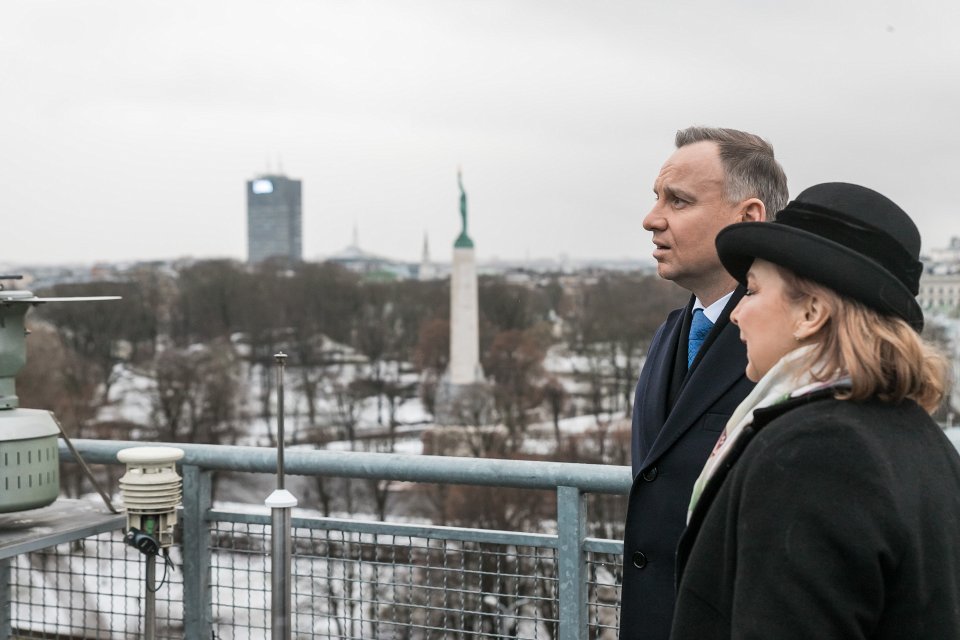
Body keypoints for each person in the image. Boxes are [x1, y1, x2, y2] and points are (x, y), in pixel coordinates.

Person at [671, 182, 960, 639]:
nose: (737, 315)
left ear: (811, 314)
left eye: (752, 291)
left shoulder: (811, 455)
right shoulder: (919, 438)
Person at [619, 126, 788, 640]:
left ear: (748, 218)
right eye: (656, 198)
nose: (652, 219)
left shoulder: (787, 350)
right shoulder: (670, 334)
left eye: (679, 200)